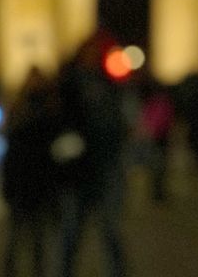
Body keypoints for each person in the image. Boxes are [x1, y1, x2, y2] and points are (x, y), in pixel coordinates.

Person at [56, 35, 130, 277]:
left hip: (106, 164)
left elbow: (118, 119)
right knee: (72, 231)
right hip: (79, 170)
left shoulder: (107, 83)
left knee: (110, 230)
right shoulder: (68, 84)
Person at [2, 67, 60, 277]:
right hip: (23, 181)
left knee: (35, 235)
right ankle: (12, 269)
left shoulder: (45, 109)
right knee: (17, 234)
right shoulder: (28, 109)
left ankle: (36, 270)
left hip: (38, 181)